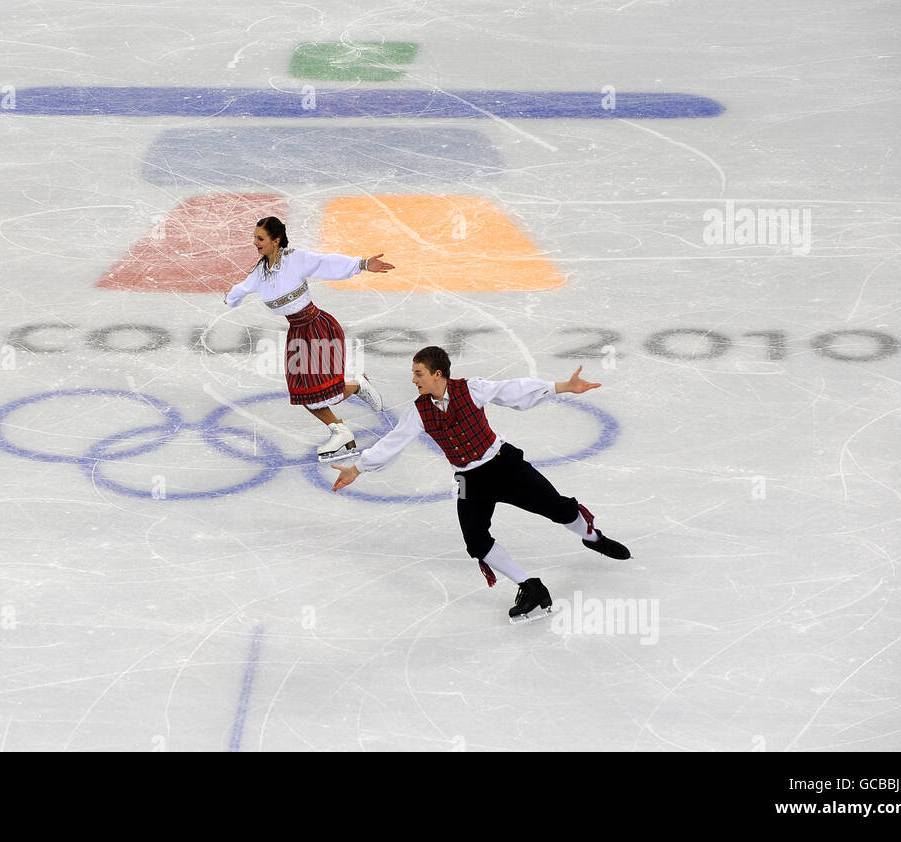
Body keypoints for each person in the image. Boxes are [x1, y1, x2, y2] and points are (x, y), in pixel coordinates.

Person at [330, 345, 631, 621]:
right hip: (468, 480)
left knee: (561, 510)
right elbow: (393, 442)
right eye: (413, 374)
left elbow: (511, 390)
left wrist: (561, 387)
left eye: (418, 374)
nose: (414, 380)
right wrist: (357, 468)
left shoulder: (469, 389)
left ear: (438, 374)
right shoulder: (419, 411)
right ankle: (530, 587)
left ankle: (593, 538)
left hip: (504, 465)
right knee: (476, 541)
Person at [224, 216, 396, 461]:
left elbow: (326, 263)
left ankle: (354, 392)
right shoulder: (262, 271)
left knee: (318, 390)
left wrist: (363, 264)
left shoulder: (295, 259)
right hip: (297, 332)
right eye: (254, 237)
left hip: (317, 328)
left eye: (260, 238)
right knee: (301, 391)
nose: (255, 243)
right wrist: (231, 298)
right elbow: (243, 287)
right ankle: (340, 428)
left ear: (276, 240)